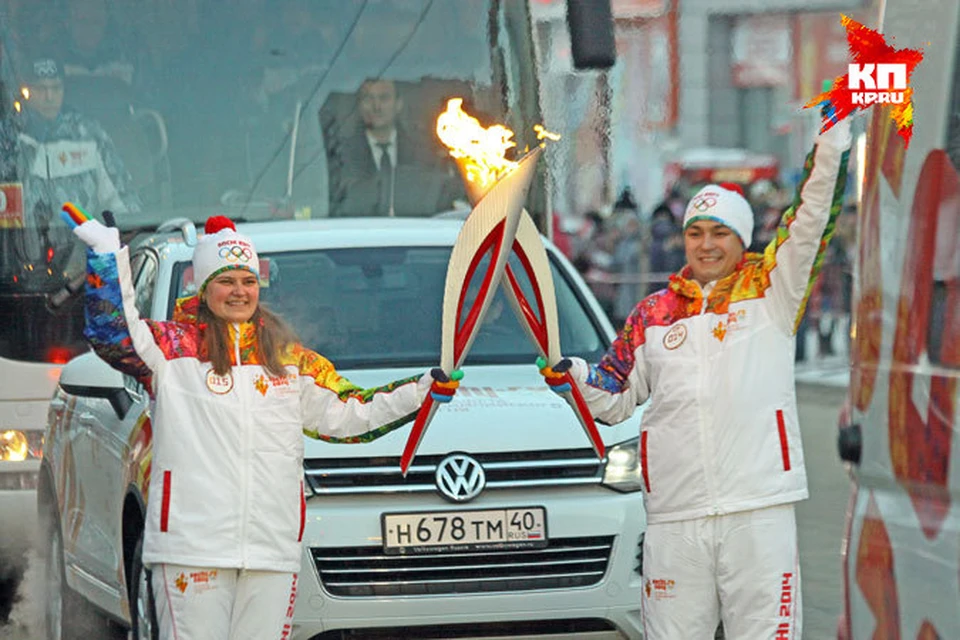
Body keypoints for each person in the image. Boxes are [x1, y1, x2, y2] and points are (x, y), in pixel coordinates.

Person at [61, 208, 461, 639]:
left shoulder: (286, 359)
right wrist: (105, 256)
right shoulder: (171, 350)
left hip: (271, 549)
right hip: (192, 549)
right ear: (204, 286)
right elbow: (112, 335)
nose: (239, 292)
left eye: (248, 281)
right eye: (226, 281)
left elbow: (352, 412)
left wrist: (421, 391)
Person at [539, 119, 853, 638]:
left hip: (758, 511)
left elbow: (811, 218)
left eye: (720, 232)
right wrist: (572, 376)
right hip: (675, 519)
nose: (706, 245)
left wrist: (834, 138)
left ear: (742, 239)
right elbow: (612, 397)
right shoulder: (653, 314)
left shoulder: (772, 291)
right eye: (696, 232)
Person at [0, 55, 141, 277]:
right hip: (20, 269)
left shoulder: (87, 135)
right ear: (25, 91)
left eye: (56, 88)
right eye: (40, 89)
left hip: (82, 273)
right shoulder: (8, 139)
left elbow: (124, 205)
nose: (49, 97)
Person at [327, 78, 461, 217]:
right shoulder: (340, 154)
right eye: (368, 98)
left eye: (384, 98)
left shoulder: (424, 153)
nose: (376, 106)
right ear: (359, 105)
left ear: (398, 104)